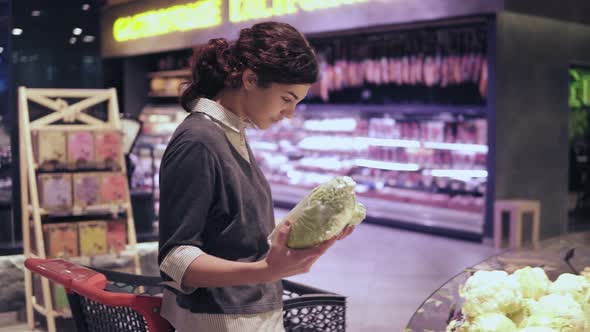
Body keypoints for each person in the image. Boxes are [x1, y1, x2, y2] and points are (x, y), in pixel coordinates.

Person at [158, 21, 356, 332]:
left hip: (250, 314)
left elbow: (233, 231)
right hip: (216, 320)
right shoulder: (198, 140)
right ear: (250, 79)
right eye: (287, 99)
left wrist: (315, 229)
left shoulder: (230, 132)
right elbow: (176, 259)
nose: (290, 113)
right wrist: (265, 269)